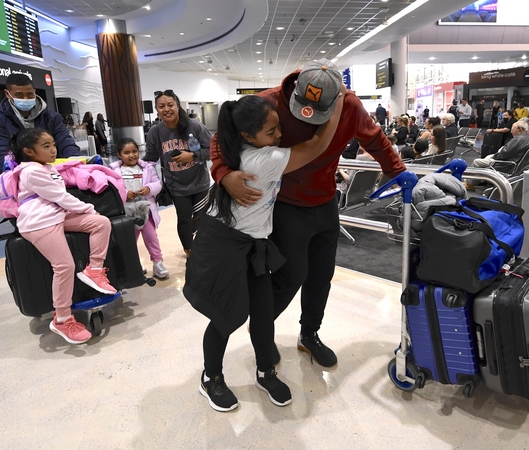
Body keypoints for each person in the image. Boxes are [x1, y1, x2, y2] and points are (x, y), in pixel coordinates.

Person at [210, 59, 406, 367]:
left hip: (325, 200)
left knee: (322, 275)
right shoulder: (267, 104)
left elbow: (375, 139)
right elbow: (220, 139)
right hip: (286, 204)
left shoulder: (350, 105)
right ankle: (261, 324)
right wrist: (222, 173)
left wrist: (398, 171)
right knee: (291, 274)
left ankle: (310, 334)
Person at [186, 90, 345, 412]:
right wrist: (337, 103)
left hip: (253, 243)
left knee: (262, 312)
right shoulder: (265, 160)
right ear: (248, 135)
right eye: (271, 132)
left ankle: (265, 372)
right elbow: (316, 146)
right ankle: (211, 377)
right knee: (225, 315)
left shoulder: (239, 147)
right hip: (224, 243)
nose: (280, 136)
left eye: (278, 128)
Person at [9, 128, 115, 344]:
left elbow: (60, 199)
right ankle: (62, 319)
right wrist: (88, 208)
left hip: (57, 216)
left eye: (53, 145)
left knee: (101, 223)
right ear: (28, 151)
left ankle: (94, 270)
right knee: (64, 266)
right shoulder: (30, 172)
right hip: (39, 222)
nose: (53, 150)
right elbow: (59, 197)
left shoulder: (47, 168)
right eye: (46, 146)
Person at [144, 89, 213, 259]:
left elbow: (212, 150)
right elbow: (150, 159)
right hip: (176, 186)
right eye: (161, 106)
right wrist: (130, 168)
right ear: (157, 109)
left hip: (199, 183)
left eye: (170, 105)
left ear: (177, 106)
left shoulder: (194, 126)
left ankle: (202, 247)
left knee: (202, 218)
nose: (166, 109)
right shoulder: (156, 131)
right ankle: (190, 252)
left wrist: (193, 155)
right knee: (183, 219)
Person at [0, 73, 81, 170]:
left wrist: (75, 161)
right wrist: (10, 169)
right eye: (19, 95)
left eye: (29, 94)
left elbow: (65, 141)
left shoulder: (51, 117)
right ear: (7, 94)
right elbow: (2, 148)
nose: (25, 99)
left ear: (35, 92)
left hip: (53, 170)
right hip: (21, 172)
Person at [109, 138, 169, 280]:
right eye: (126, 152)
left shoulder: (147, 167)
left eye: (134, 151)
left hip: (146, 212)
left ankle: (157, 263)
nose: (132, 155)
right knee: (129, 241)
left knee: (152, 238)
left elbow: (158, 183)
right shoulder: (113, 171)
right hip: (127, 213)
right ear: (119, 154)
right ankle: (134, 265)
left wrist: (149, 188)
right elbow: (111, 189)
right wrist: (124, 194)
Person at [465, 121, 529, 190]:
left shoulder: (518, 140)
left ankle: (470, 184)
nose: (511, 132)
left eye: (513, 129)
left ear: (520, 130)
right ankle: (480, 180)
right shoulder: (526, 137)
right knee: (488, 157)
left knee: (477, 162)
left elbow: (504, 154)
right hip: (514, 163)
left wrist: (494, 157)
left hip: (505, 164)